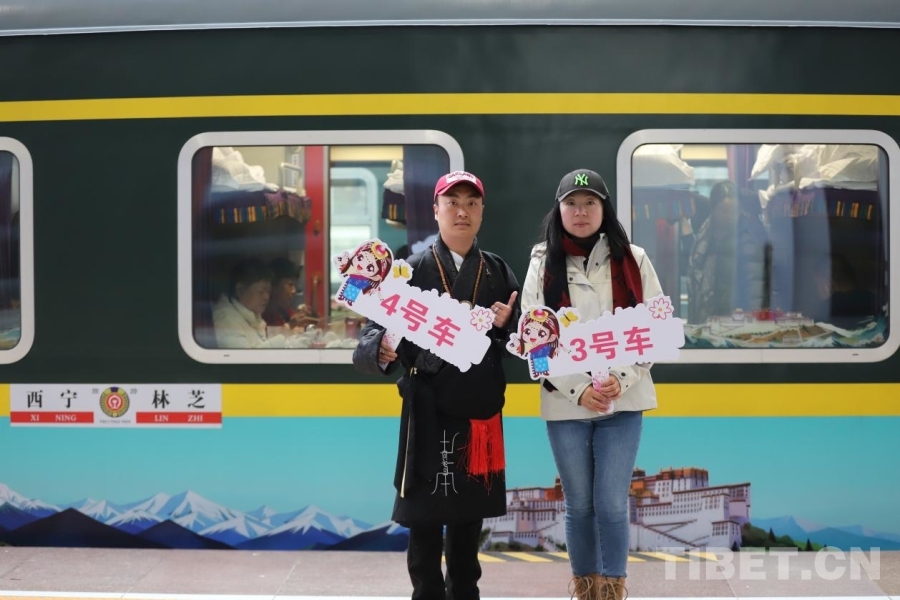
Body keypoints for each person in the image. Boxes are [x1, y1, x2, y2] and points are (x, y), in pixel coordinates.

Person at [352, 171, 520, 600]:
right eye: (452, 202)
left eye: (471, 203)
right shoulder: (407, 271)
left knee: (467, 526)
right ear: (436, 210)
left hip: (478, 414)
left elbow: (526, 344)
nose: (462, 211)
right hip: (427, 412)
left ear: (482, 211)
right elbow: (368, 339)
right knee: (424, 523)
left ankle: (465, 594)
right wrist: (381, 348)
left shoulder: (498, 271)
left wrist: (507, 326)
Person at [521, 169, 664, 600]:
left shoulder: (634, 259)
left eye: (590, 203)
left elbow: (655, 326)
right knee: (579, 503)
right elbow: (534, 336)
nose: (580, 212)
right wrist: (578, 389)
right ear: (558, 209)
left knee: (611, 502)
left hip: (624, 401)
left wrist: (621, 377)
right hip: (566, 404)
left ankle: (612, 588)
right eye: (571, 203)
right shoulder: (541, 262)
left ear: (604, 209)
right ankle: (586, 589)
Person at [213, 258, 286, 349]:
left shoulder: (252, 315)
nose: (266, 297)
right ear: (240, 290)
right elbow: (242, 357)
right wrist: (282, 341)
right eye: (261, 291)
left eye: (268, 291)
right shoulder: (226, 319)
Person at [262, 257, 314, 329]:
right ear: (274, 285)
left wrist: (303, 317)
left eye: (295, 286)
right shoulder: (263, 316)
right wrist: (291, 325)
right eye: (290, 284)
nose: (294, 291)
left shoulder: (284, 311)